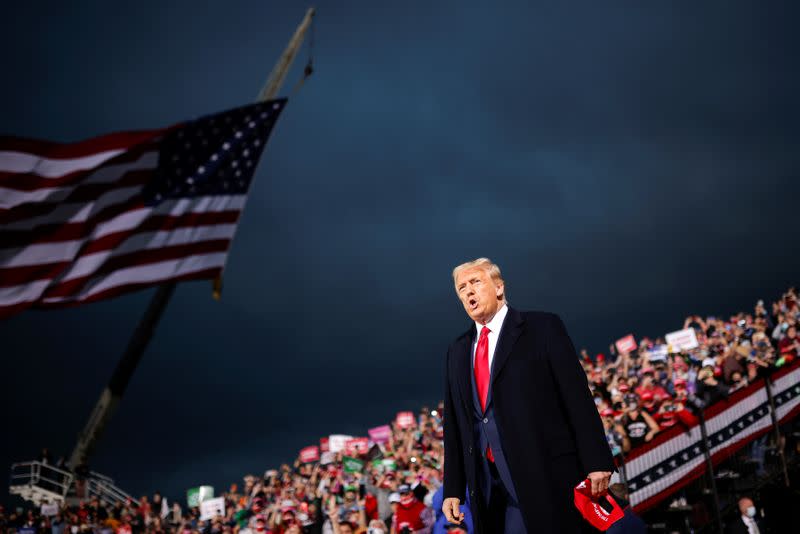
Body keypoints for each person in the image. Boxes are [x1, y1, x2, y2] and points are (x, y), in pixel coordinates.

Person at [442, 258, 615, 533]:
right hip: (490, 490)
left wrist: (596, 460)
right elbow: (454, 425)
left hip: (547, 475)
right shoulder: (458, 350)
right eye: (461, 288)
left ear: (499, 287)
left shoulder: (542, 327)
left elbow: (576, 397)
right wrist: (452, 488)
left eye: (475, 282)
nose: (468, 291)